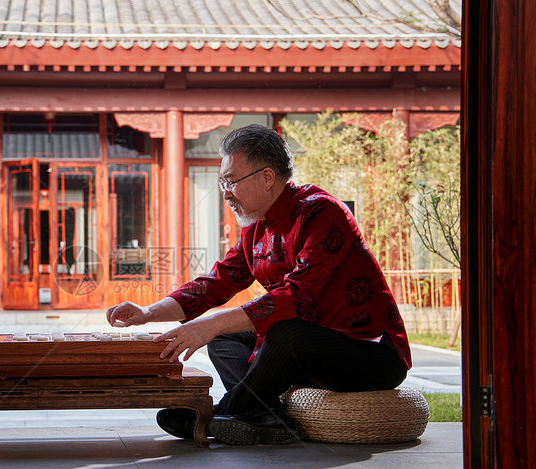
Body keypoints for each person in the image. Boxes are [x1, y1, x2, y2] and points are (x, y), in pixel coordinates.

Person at [106, 124, 411, 446]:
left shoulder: (322, 212)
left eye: (231, 181)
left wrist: (209, 324)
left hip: (370, 353)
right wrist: (148, 312)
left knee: (285, 331)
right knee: (225, 339)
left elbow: (297, 297)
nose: (225, 193)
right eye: (222, 182)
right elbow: (214, 284)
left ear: (267, 178)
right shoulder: (255, 229)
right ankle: (266, 417)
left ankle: (219, 414)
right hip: (306, 348)